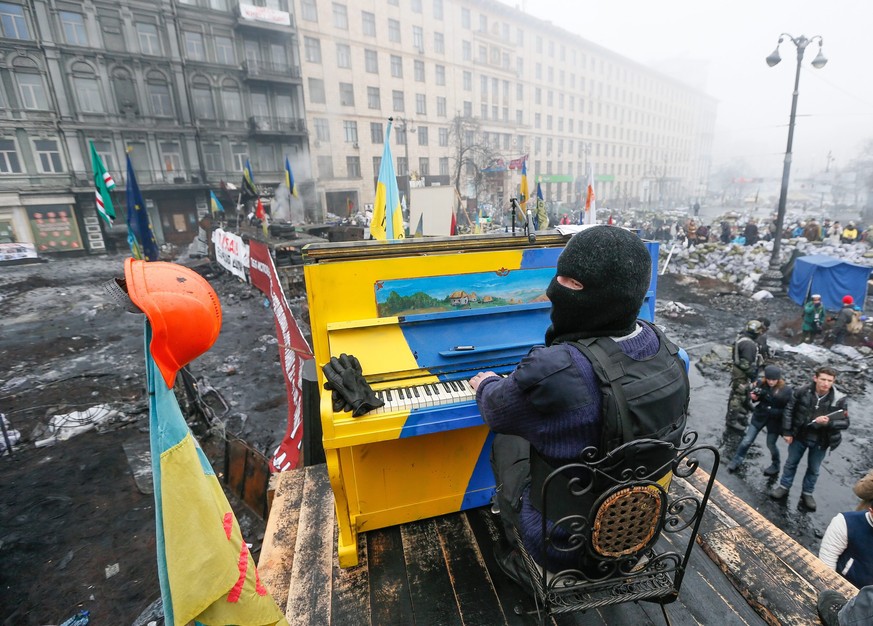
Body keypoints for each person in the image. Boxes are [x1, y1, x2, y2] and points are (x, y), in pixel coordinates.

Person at [469, 226, 689, 578]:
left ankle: (516, 551)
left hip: (562, 543)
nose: (555, 287)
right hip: (638, 527)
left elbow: (496, 409)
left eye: (567, 280)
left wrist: (487, 382)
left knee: (508, 437)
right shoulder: (665, 347)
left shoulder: (555, 368)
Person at [770, 366, 849, 511]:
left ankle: (807, 493)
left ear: (833, 381)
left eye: (829, 380)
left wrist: (829, 422)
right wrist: (787, 432)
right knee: (791, 463)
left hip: (821, 440)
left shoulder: (839, 399)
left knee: (814, 469)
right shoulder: (802, 391)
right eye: (823, 379)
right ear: (815, 378)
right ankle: (784, 486)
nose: (826, 383)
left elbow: (845, 422)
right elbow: (789, 410)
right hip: (800, 434)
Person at [726, 364, 791, 475]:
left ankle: (776, 464)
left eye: (774, 380)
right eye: (769, 379)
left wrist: (786, 429)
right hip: (760, 416)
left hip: (774, 421)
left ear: (778, 379)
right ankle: (737, 459)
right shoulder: (761, 384)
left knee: (771, 444)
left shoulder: (786, 391)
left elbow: (788, 409)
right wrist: (754, 398)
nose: (771, 382)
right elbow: (756, 398)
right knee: (747, 440)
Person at [818, 503, 873, 588]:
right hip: (844, 589)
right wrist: (831, 589)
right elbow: (827, 560)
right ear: (871, 511)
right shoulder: (845, 522)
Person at [726, 319, 763, 432]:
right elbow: (745, 364)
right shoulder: (749, 344)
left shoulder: (742, 338)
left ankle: (740, 412)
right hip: (741, 374)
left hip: (738, 372)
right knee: (738, 396)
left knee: (738, 393)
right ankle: (732, 420)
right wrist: (753, 377)